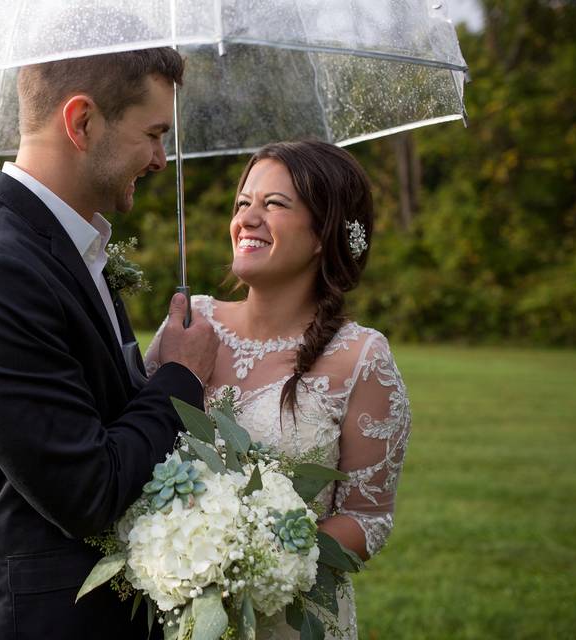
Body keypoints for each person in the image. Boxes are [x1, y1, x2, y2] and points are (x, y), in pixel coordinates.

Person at [0, 45, 219, 639]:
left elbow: (93, 403)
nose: (162, 159)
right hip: (43, 620)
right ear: (81, 121)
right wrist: (180, 380)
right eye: (154, 133)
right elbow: (89, 487)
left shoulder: (66, 244)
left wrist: (147, 372)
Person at [146, 140, 412, 639]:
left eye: (274, 205)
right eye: (243, 203)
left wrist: (255, 562)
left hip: (293, 620)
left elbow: (367, 517)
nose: (247, 218)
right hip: (174, 613)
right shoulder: (186, 326)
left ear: (322, 234)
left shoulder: (361, 359)